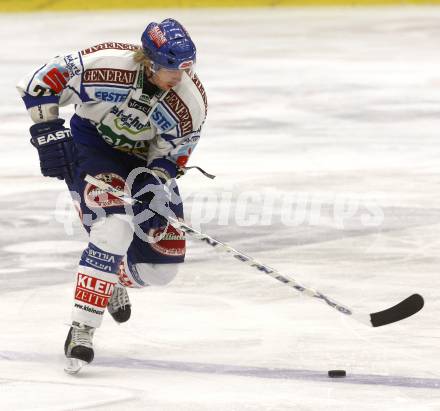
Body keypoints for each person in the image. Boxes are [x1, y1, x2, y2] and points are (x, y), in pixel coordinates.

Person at [16, 18, 208, 374]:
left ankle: (110, 272)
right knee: (114, 227)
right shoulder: (106, 64)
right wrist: (47, 131)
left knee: (160, 268)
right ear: (148, 60)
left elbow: (175, 153)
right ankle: (82, 329)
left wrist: (156, 182)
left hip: (142, 164)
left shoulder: (189, 103)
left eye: (186, 69)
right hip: (93, 148)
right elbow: (41, 81)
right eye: (170, 69)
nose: (178, 77)